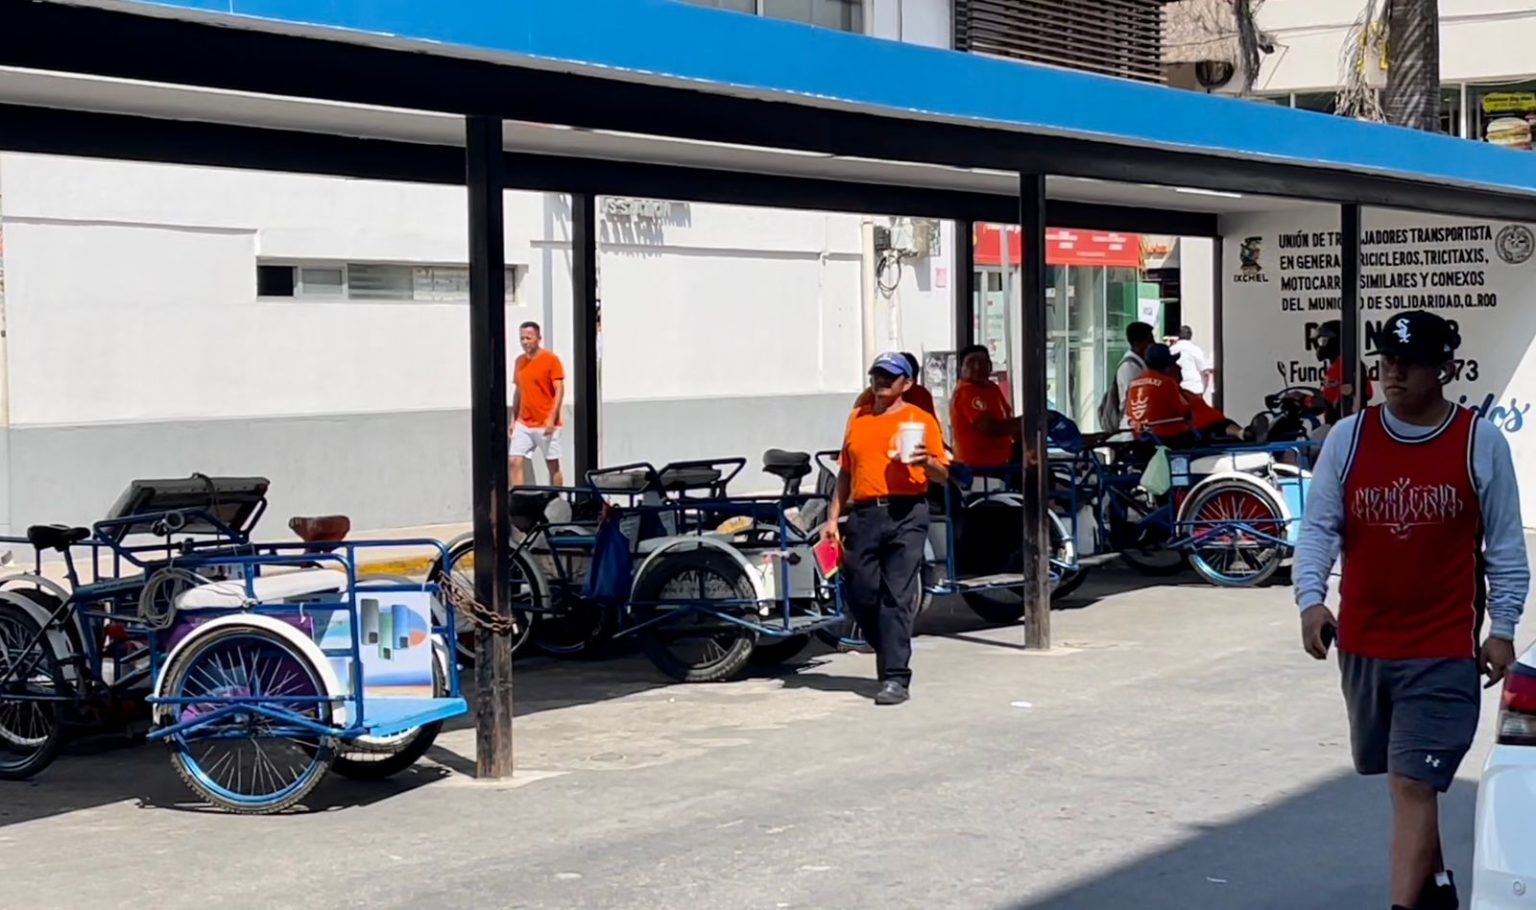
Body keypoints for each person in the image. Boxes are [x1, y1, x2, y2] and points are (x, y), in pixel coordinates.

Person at [1293, 310, 1528, 910]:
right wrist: (1311, 601)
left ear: (1444, 370)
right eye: (1385, 362)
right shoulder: (1350, 438)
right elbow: (1319, 527)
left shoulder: (1479, 441)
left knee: (1413, 781)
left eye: (1407, 363)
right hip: (1366, 647)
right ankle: (1438, 890)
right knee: (1405, 788)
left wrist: (1502, 630)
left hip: (1443, 650)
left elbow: (1504, 544)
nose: (1391, 374)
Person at [824, 351, 949, 706]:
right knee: (861, 593)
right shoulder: (858, 418)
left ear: (906, 384)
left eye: (889, 377)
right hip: (864, 513)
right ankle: (890, 646)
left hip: (907, 512)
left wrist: (926, 461)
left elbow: (943, 473)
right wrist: (833, 519)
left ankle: (895, 677)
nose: (879, 382)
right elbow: (846, 472)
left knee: (897, 595)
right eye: (876, 375)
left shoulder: (919, 419)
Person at [1124, 344, 1242, 443]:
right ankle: (1242, 434)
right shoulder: (1166, 382)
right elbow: (1185, 411)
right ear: (1167, 366)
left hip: (1141, 437)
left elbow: (1130, 413)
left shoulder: (1133, 384)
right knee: (1217, 425)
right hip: (1168, 437)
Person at [510, 321, 566, 488]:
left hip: (545, 423)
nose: (525, 342)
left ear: (538, 338)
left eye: (529, 338)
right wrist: (514, 419)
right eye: (522, 338)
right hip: (524, 422)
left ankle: (557, 499)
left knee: (552, 465)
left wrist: (552, 417)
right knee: (514, 460)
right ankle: (519, 501)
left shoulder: (551, 360)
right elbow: (518, 391)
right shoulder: (519, 362)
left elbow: (559, 390)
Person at [950, 344, 1017, 467]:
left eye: (983, 362)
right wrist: (1026, 422)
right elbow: (989, 426)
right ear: (961, 368)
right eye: (971, 362)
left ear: (990, 366)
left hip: (1001, 463)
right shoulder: (966, 391)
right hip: (978, 468)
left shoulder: (992, 388)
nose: (977, 367)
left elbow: (1007, 418)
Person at [1315, 319, 1375, 425]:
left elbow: (1362, 395)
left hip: (1345, 424)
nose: (1321, 346)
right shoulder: (1335, 365)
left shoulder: (1349, 365)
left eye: (1324, 341)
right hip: (1334, 424)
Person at [1101, 322, 1155, 431]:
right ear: (1137, 343)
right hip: (1131, 428)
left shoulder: (1141, 363)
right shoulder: (1129, 367)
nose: (1153, 344)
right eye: (1149, 340)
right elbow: (1128, 400)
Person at [854, 352, 936, 418]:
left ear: (908, 382)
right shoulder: (867, 399)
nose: (882, 380)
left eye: (891, 375)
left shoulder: (920, 396)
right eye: (878, 375)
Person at [1168, 325, 1214, 401]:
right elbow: (1205, 371)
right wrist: (1204, 388)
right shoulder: (1195, 350)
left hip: (1177, 389)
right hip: (1194, 388)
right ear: (1190, 336)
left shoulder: (1171, 350)